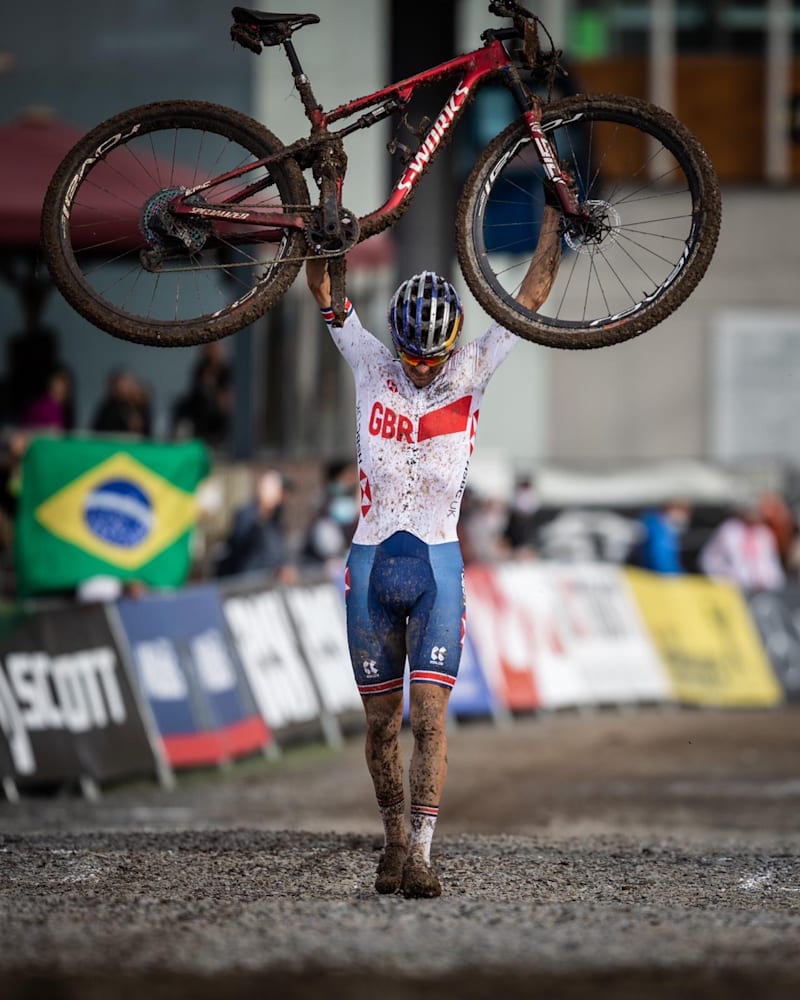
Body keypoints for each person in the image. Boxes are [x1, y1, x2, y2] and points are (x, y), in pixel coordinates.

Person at [305, 201, 562, 899]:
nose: (420, 371)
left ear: (449, 348)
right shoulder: (369, 364)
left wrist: (551, 220)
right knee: (381, 723)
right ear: (396, 342)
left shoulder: (472, 368)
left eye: (432, 358)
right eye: (412, 358)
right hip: (369, 566)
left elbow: (530, 298)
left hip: (439, 569)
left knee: (429, 717)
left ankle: (421, 851)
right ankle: (390, 841)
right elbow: (328, 294)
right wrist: (320, 230)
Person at [214, 467, 298, 584]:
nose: (283, 496)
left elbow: (277, 549)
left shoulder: (277, 517)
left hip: (271, 585)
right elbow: (241, 542)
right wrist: (263, 509)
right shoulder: (246, 513)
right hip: (248, 585)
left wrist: (285, 566)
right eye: (280, 491)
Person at [698, 496, 785, 592]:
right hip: (736, 590)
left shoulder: (764, 533)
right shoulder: (729, 530)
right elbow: (709, 560)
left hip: (766, 590)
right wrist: (726, 578)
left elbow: (771, 561)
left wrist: (774, 581)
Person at [635, 499, 692, 574]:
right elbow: (661, 561)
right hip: (654, 578)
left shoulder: (667, 528)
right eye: (682, 509)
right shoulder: (657, 528)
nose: (684, 515)